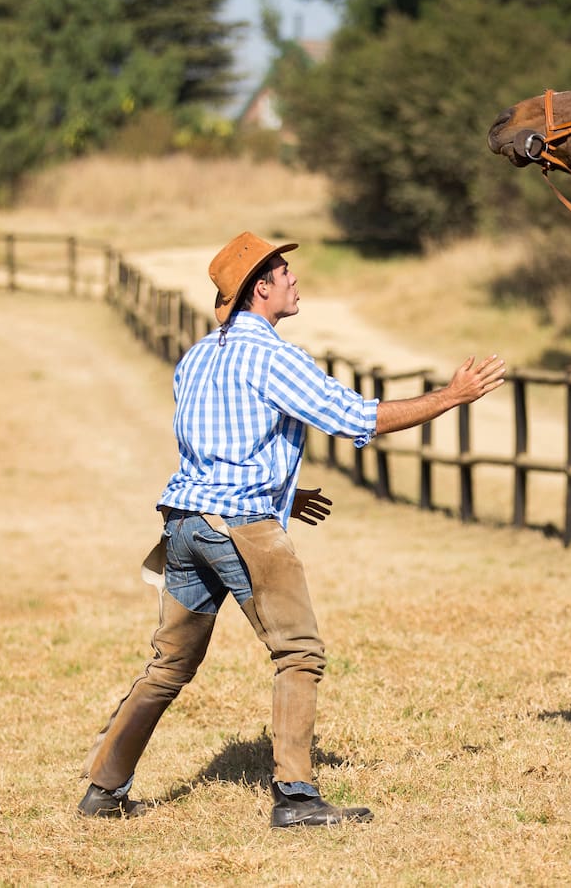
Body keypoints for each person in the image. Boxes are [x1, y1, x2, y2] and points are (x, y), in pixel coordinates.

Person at [77, 231, 505, 828]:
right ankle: (298, 798)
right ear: (260, 289)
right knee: (299, 652)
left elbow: (211, 445)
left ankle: (103, 790)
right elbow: (359, 418)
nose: (294, 279)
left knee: (168, 666)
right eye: (283, 272)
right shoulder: (271, 355)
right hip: (241, 528)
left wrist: (285, 490)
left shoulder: (197, 356)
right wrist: (451, 396)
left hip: (184, 523)